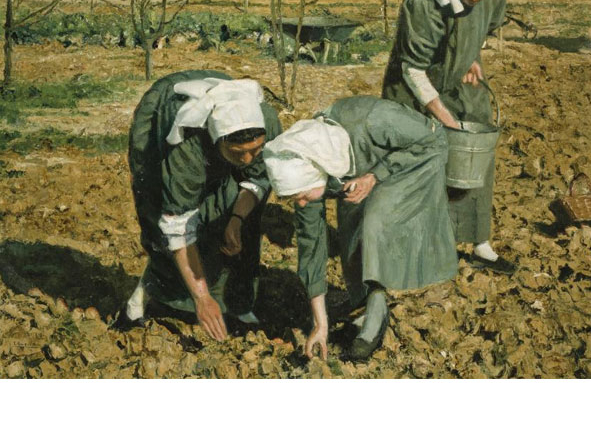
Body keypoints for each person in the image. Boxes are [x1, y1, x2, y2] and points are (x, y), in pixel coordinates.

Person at [263, 96, 458, 361]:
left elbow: (431, 140)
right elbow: (312, 247)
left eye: (301, 194)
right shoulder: (308, 168)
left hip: (414, 160)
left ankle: (375, 316)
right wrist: (321, 323)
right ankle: (363, 304)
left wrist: (376, 175)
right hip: (363, 171)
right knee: (352, 230)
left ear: (314, 173)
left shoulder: (373, 120)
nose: (299, 202)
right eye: (293, 198)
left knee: (374, 222)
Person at [382, 0, 515, 274]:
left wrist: (472, 57)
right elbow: (413, 68)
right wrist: (441, 115)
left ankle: (479, 242)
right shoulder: (423, 2)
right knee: (421, 158)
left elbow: (482, 28)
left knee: (476, 149)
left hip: (458, 81)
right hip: (415, 87)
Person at [115, 70, 282, 341]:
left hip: (220, 111)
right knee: (162, 220)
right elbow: (177, 223)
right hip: (161, 115)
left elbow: (257, 181)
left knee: (238, 213)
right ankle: (141, 302)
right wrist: (201, 297)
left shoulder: (267, 122)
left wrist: (236, 220)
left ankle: (238, 304)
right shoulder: (186, 145)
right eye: (240, 153)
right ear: (218, 142)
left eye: (257, 150)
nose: (250, 158)